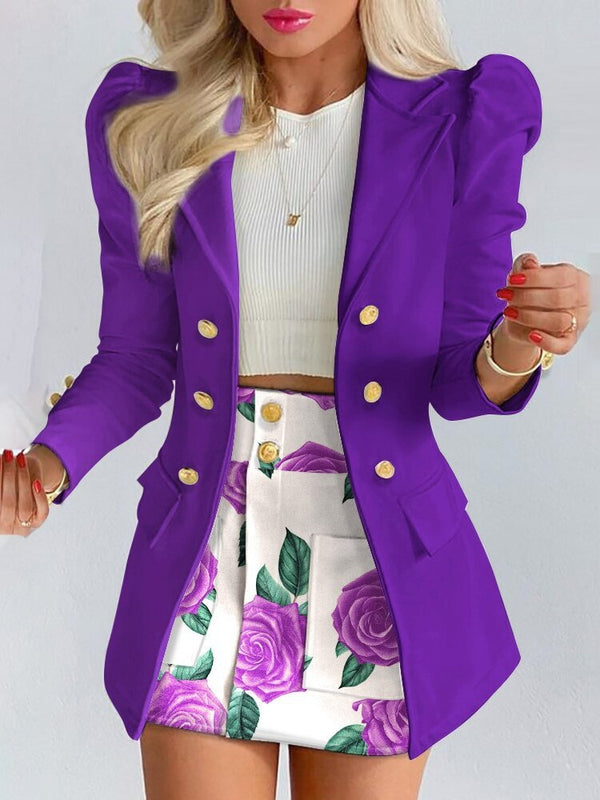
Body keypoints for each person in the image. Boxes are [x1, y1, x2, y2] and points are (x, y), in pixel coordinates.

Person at [1, 1, 590, 798]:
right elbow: (136, 358)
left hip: (377, 569)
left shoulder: (462, 121)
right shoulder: (155, 119)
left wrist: (522, 338)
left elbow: (458, 377)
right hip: (205, 556)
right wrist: (44, 465)